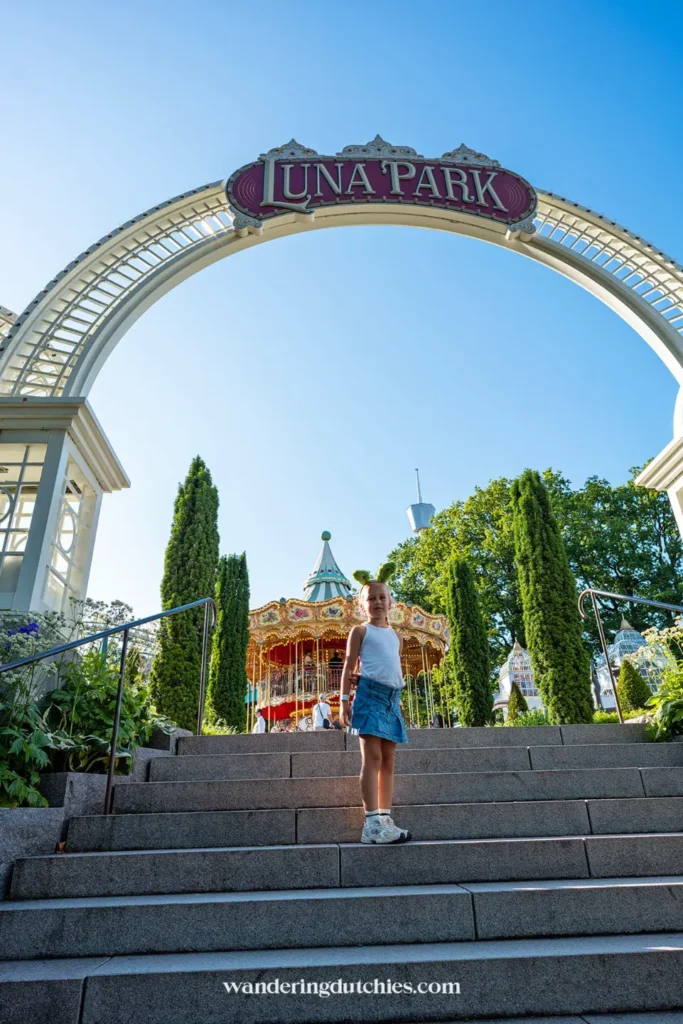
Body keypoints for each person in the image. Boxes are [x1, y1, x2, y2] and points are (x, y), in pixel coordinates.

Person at [339, 565, 411, 845]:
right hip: (369, 697)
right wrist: (345, 700)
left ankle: (385, 818)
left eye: (382, 597)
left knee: (389, 761)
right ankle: (370, 824)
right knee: (373, 758)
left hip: (392, 699)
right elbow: (349, 664)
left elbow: (391, 667)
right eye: (371, 598)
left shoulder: (396, 636)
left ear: (390, 602)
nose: (377, 602)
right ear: (362, 605)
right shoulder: (359, 631)